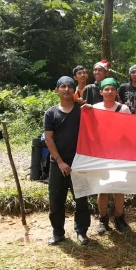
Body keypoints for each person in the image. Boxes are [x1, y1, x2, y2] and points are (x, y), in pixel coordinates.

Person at [44, 76, 90, 246]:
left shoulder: (82, 110)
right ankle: (58, 233)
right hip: (58, 164)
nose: (66, 89)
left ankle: (82, 232)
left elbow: (94, 128)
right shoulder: (51, 113)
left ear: (74, 90)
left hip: (80, 162)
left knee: (81, 200)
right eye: (62, 86)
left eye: (70, 86)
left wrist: (91, 108)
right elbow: (49, 139)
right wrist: (60, 161)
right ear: (57, 90)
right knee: (56, 200)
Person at [83, 78, 132, 235]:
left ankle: (119, 218)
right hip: (101, 154)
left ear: (116, 92)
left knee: (118, 187)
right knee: (102, 189)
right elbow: (88, 129)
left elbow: (130, 130)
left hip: (118, 153)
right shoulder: (95, 108)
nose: (109, 92)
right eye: (106, 89)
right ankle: (103, 220)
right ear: (101, 92)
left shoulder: (124, 109)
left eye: (112, 89)